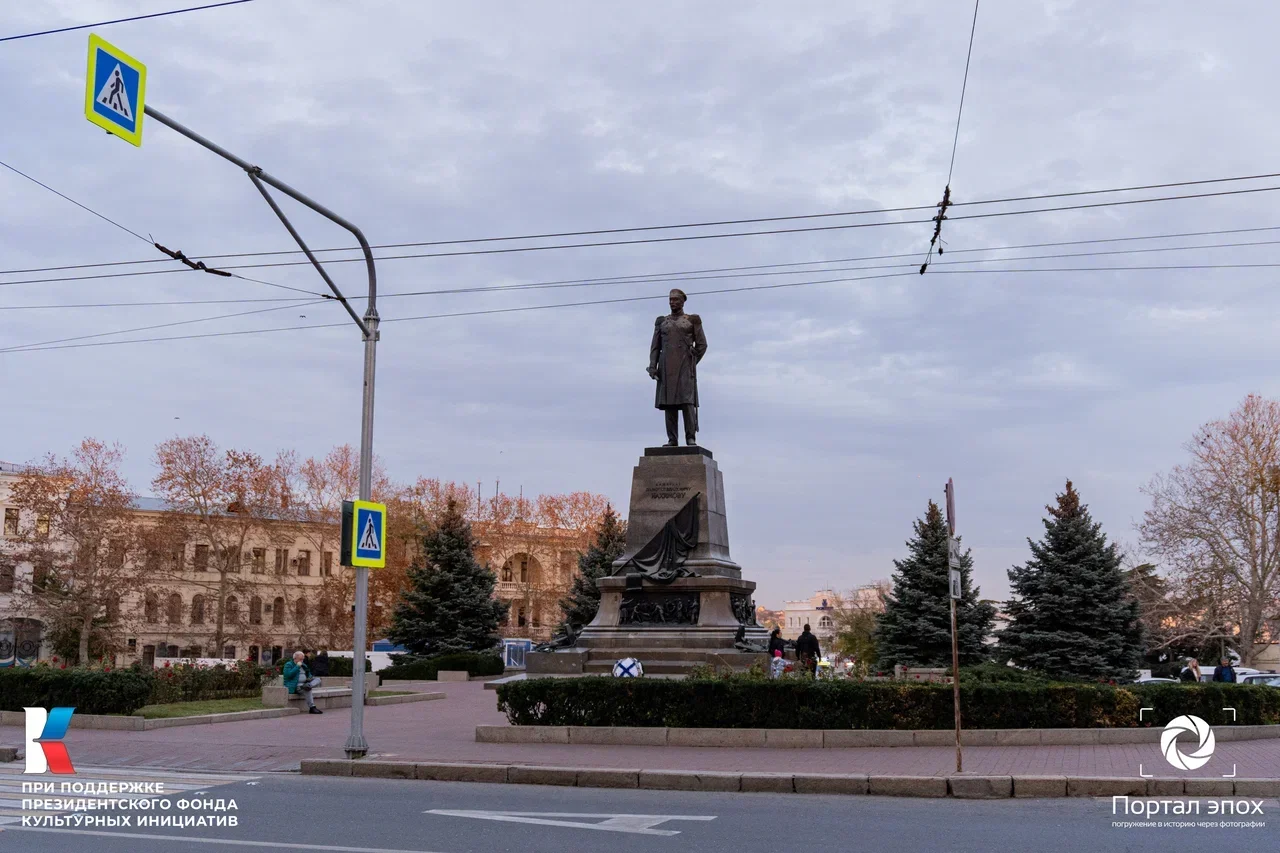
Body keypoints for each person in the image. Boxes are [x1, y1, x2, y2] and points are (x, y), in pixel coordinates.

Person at [647, 289, 708, 446]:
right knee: (669, 404)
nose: (672, 302)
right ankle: (672, 439)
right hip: (666, 367)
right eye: (670, 299)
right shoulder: (662, 322)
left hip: (685, 366)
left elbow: (702, 345)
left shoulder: (692, 320)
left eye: (676, 299)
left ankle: (690, 437)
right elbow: (655, 346)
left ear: (683, 302)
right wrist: (653, 365)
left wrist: (692, 362)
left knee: (687, 403)